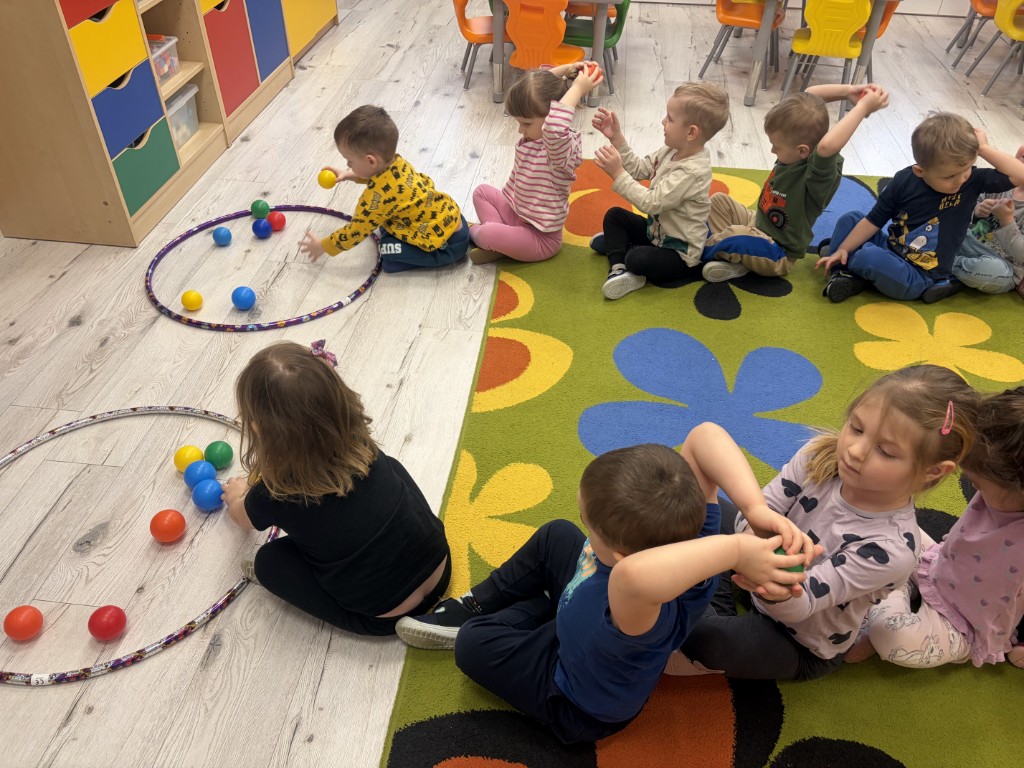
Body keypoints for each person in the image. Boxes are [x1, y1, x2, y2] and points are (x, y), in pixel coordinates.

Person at [394, 425, 814, 744]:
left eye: (590, 525)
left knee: (473, 643)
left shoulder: (636, 595)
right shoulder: (692, 539)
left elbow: (634, 575)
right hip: (586, 619)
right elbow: (704, 436)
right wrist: (755, 509)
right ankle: (493, 603)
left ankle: (527, 614)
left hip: (575, 697)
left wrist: (739, 549)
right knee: (557, 534)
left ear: (622, 555)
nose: (585, 526)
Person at [676, 365, 978, 681]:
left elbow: (800, 605)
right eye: (856, 428)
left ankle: (699, 609)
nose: (855, 451)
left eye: (885, 451)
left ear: (933, 471)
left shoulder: (891, 551)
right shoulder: (821, 455)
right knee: (685, 509)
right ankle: (701, 603)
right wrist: (753, 531)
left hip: (799, 639)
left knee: (697, 634)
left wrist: (762, 573)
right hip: (763, 570)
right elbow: (758, 510)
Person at [221, 340, 451, 636]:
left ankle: (382, 619)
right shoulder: (361, 444)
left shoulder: (274, 492)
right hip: (440, 568)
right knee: (390, 466)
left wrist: (237, 495)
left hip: (382, 615)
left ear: (257, 428)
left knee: (268, 562)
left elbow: (242, 519)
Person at [845, 386, 1024, 669]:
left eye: (979, 483)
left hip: (963, 624)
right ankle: (893, 586)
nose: (972, 485)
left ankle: (892, 591)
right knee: (881, 526)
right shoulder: (1003, 487)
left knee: (895, 641)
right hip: (937, 565)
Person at [817, 116, 1024, 303]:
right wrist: (845, 248)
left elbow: (1020, 175)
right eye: (949, 176)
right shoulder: (904, 181)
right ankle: (841, 267)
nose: (961, 179)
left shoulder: (973, 181)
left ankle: (846, 267)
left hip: (920, 275)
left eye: (967, 169)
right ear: (920, 171)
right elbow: (874, 220)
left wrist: (984, 148)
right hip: (891, 249)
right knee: (851, 218)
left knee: (868, 257)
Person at [700, 83, 889, 283]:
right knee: (719, 201)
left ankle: (695, 253)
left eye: (776, 146)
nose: (772, 151)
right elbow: (809, 95)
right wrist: (848, 92)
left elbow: (827, 146)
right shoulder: (797, 151)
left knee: (736, 236)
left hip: (777, 251)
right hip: (758, 224)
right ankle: (735, 258)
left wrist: (863, 107)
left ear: (802, 151)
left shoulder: (819, 173)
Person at [589, 82, 730, 300]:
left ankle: (621, 251)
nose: (663, 121)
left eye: (670, 119)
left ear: (691, 132)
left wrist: (617, 173)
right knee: (614, 216)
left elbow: (651, 203)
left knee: (637, 259)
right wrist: (616, 137)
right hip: (655, 233)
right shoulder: (670, 150)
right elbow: (638, 169)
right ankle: (618, 266)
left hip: (679, 253)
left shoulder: (692, 172)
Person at [298, 105, 470, 273]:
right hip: (453, 218)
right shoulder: (398, 162)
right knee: (385, 224)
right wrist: (348, 174)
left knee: (387, 252)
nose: (348, 165)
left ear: (371, 161)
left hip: (445, 246)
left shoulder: (376, 199)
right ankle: (470, 235)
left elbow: (355, 231)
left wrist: (323, 246)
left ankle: (432, 258)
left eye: (349, 161)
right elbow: (380, 178)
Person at [468, 62, 603, 265]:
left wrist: (577, 89)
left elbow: (554, 127)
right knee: (481, 192)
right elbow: (538, 85)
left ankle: (477, 234)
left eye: (526, 123)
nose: (520, 130)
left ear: (552, 118)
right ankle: (500, 243)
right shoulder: (535, 135)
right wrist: (567, 69)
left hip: (540, 238)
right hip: (517, 213)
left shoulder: (559, 149)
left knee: (487, 232)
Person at [951, 143, 1024, 296]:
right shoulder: (1004, 181)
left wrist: (1007, 221)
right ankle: (955, 271)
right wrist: (977, 210)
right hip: (970, 240)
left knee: (986, 271)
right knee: (947, 224)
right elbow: (971, 205)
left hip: (1005, 266)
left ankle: (942, 265)